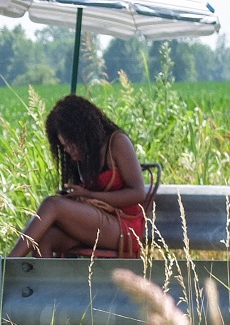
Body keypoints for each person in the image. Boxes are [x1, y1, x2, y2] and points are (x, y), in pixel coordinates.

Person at [8, 95, 146, 258]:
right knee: (42, 239)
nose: (69, 150)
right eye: (65, 146)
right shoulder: (83, 157)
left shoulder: (117, 143)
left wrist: (89, 195)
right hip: (94, 224)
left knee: (52, 204)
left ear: (84, 133)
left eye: (72, 144)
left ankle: (8, 266)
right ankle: (47, 284)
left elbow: (138, 193)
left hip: (123, 226)